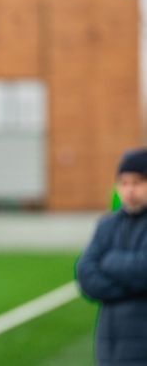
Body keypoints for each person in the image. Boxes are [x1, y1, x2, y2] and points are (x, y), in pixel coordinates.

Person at [76, 147, 147, 366]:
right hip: (109, 350)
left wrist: (109, 261)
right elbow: (86, 275)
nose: (129, 190)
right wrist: (135, 287)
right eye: (124, 183)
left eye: (138, 182)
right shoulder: (107, 225)